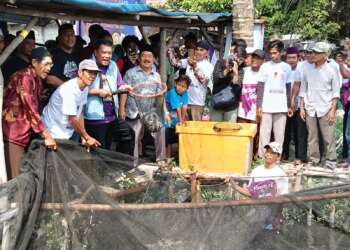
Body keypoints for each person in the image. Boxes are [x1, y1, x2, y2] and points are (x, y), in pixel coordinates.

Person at [2, 47, 56, 179]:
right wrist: (46, 135)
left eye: (51, 64)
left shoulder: (35, 78)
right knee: (16, 177)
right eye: (46, 64)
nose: (49, 68)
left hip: (24, 132)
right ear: (34, 63)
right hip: (14, 133)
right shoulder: (25, 77)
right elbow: (30, 108)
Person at [121, 44, 169, 164]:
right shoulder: (130, 73)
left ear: (153, 59)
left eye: (150, 56)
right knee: (135, 137)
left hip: (150, 111)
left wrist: (165, 112)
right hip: (134, 110)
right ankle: (134, 163)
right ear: (139, 57)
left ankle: (160, 159)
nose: (147, 59)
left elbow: (160, 95)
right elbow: (124, 92)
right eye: (144, 56)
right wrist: (121, 109)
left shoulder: (156, 75)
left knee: (160, 130)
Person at [42, 59, 101, 150]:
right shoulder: (70, 89)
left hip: (67, 131)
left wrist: (83, 137)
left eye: (95, 73)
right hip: (53, 131)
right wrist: (87, 137)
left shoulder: (85, 87)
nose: (93, 76)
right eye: (90, 72)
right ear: (80, 73)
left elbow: (79, 112)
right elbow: (72, 119)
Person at [300, 42, 340, 169]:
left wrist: (333, 110)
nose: (313, 55)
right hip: (310, 107)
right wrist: (302, 107)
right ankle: (314, 160)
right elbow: (303, 90)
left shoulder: (331, 70)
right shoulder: (306, 69)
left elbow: (335, 92)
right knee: (312, 137)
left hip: (326, 107)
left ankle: (331, 161)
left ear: (325, 55)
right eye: (313, 52)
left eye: (317, 53)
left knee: (328, 137)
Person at [83, 39, 130, 149]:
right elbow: (78, 90)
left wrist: (125, 88)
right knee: (98, 149)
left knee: (117, 142)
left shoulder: (113, 65)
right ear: (96, 52)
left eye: (109, 53)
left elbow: (120, 85)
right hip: (94, 117)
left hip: (112, 116)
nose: (107, 56)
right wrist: (97, 92)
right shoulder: (87, 65)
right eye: (104, 53)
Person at [232, 141, 288, 231]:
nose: (268, 155)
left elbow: (283, 198)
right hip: (255, 217)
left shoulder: (281, 175)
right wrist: (234, 186)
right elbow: (250, 192)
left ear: (278, 157)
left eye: (272, 153)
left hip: (272, 220)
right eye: (267, 151)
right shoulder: (257, 171)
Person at [257, 40, 293, 158]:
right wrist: (259, 106)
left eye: (275, 53)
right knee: (264, 134)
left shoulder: (286, 67)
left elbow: (288, 88)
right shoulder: (264, 67)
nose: (273, 55)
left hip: (281, 106)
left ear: (281, 52)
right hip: (267, 106)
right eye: (271, 53)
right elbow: (260, 87)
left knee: (279, 135)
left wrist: (289, 105)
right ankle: (262, 158)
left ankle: (277, 158)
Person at [237, 49, 265, 159]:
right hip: (242, 109)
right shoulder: (244, 71)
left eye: (258, 58)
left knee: (255, 134)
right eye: (253, 57)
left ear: (263, 61)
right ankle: (241, 155)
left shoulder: (264, 73)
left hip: (256, 109)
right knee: (242, 132)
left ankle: (254, 156)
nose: (254, 60)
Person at [282, 47, 308, 165]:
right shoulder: (283, 69)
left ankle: (300, 156)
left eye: (294, 58)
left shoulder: (303, 68)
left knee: (300, 132)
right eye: (289, 58)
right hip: (284, 105)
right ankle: (284, 154)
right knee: (285, 131)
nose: (291, 60)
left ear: (298, 58)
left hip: (299, 105)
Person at [46, 23, 79, 91]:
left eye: (72, 34)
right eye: (66, 35)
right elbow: (50, 79)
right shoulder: (54, 56)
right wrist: (70, 89)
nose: (70, 38)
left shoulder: (77, 55)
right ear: (59, 37)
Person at [210, 51, 240, 122]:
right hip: (217, 104)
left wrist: (235, 73)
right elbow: (216, 79)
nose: (232, 55)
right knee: (215, 129)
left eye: (234, 53)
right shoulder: (219, 63)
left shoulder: (239, 67)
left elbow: (237, 86)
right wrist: (226, 69)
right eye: (230, 52)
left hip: (231, 106)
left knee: (229, 131)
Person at [165, 75, 190, 158]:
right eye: (179, 85)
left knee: (178, 138)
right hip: (167, 120)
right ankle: (167, 158)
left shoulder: (185, 94)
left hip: (175, 120)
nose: (180, 88)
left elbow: (184, 107)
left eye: (183, 86)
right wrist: (180, 122)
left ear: (187, 88)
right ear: (175, 83)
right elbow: (178, 109)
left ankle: (179, 158)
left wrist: (182, 121)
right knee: (168, 141)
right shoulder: (172, 93)